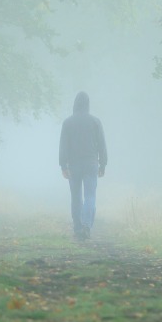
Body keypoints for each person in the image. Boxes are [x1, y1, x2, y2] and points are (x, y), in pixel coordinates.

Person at [59, 91, 107, 241]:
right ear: (88, 104)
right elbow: (102, 144)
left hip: (74, 165)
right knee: (90, 195)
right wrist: (103, 164)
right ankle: (86, 225)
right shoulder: (95, 122)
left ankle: (77, 228)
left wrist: (63, 165)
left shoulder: (67, 122)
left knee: (76, 197)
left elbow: (63, 146)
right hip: (91, 163)